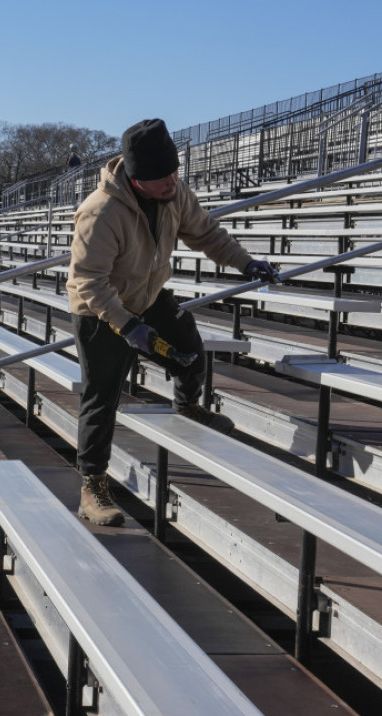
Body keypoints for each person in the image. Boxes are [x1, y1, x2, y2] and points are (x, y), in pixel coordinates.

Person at [67, 118, 277, 527]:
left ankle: (188, 405)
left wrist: (246, 262)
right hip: (99, 312)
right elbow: (87, 280)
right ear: (136, 177)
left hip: (147, 297)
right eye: (162, 177)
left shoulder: (175, 193)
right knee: (101, 397)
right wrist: (127, 327)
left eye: (175, 173)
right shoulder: (100, 211)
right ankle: (92, 485)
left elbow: (207, 234)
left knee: (190, 352)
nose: (172, 182)